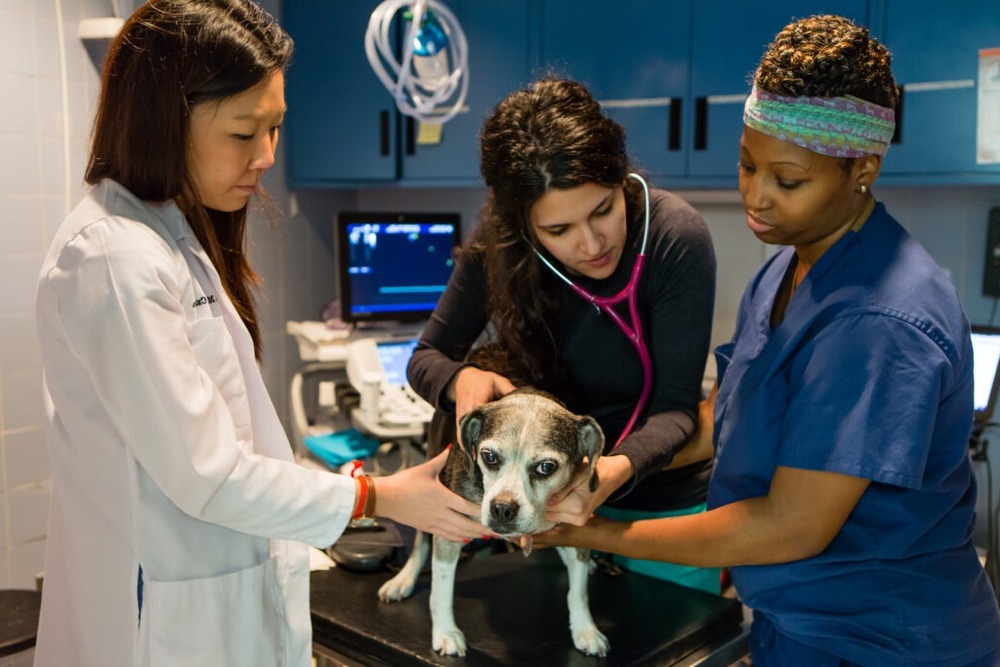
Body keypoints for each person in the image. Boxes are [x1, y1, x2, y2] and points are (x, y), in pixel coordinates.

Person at [535, 14, 1000, 666]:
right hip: (794, 624)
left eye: (787, 180)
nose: (755, 196)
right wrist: (609, 469)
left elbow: (791, 525)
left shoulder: (879, 320)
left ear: (861, 168)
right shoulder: (786, 264)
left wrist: (603, 530)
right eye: (746, 164)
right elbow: (723, 417)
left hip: (885, 640)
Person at [33, 2, 485, 665]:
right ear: (166, 119)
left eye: (274, 129)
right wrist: (378, 494)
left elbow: (231, 444)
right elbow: (209, 474)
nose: (267, 156)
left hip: (219, 600)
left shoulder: (172, 237)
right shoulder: (112, 257)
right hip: (161, 624)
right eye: (245, 134)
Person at [407, 76, 720, 592]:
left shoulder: (674, 238)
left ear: (623, 180)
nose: (592, 243)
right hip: (543, 504)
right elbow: (427, 356)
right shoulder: (500, 244)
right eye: (558, 231)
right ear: (524, 227)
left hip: (660, 509)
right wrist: (460, 379)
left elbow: (675, 409)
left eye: (603, 210)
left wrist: (605, 475)